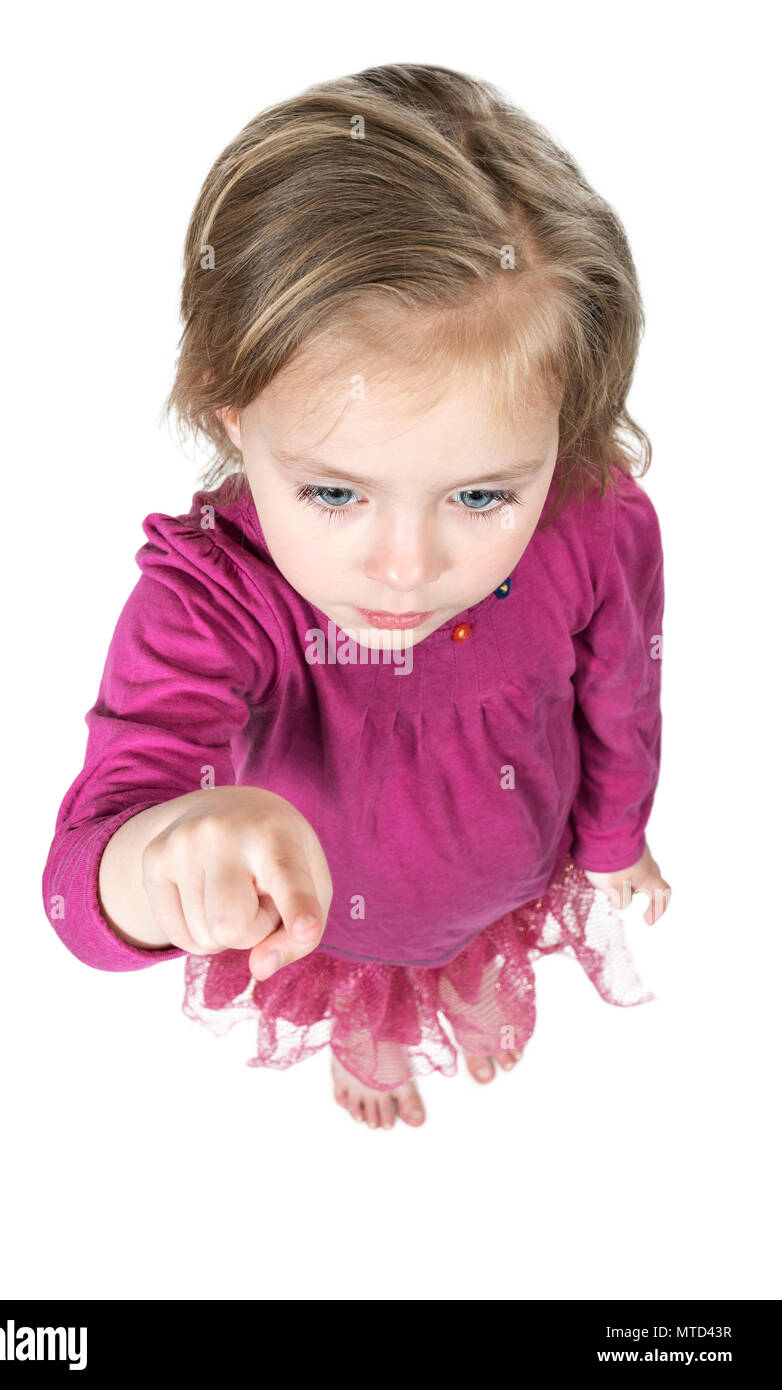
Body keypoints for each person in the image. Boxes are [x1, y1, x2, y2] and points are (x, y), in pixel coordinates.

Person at [42, 62, 671, 1132]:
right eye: (334, 491)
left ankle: (470, 1008)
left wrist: (615, 836)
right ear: (231, 412)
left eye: (481, 494)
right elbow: (84, 872)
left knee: (483, 978)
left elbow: (620, 689)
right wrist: (162, 857)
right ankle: (373, 1053)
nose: (405, 567)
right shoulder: (212, 599)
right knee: (374, 1018)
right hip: (331, 922)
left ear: (560, 439)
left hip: (511, 868)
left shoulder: (597, 522)